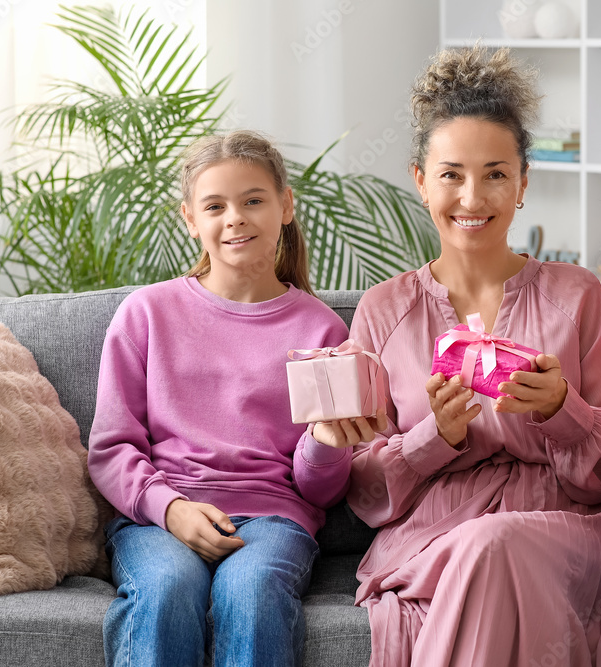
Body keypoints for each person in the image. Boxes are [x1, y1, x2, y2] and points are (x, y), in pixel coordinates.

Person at [345, 45, 601, 667]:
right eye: (451, 173)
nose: (472, 197)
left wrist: (562, 409)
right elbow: (364, 490)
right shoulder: (382, 309)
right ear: (421, 180)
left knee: (496, 544)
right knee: (488, 547)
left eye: (496, 174)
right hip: (432, 539)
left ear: (523, 184)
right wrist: (433, 435)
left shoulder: (576, 293)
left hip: (566, 530)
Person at [87, 130, 381, 667]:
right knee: (168, 588)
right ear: (190, 219)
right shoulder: (146, 313)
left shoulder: (322, 330)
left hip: (275, 520)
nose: (235, 218)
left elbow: (321, 492)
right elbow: (111, 449)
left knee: (250, 593)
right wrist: (170, 509)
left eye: (253, 201)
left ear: (285, 206)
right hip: (161, 516)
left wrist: (325, 442)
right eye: (215, 205)